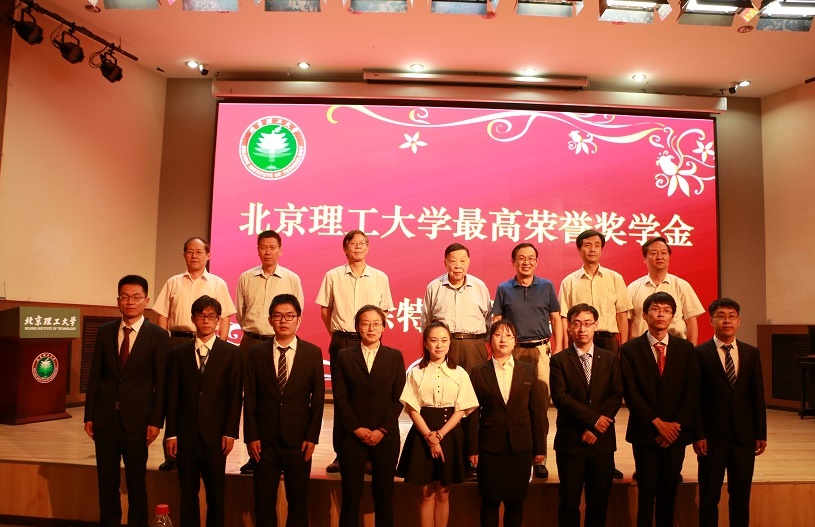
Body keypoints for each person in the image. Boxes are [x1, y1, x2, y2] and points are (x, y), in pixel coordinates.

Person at [83, 275, 171, 527]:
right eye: (125, 297)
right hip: (105, 420)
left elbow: (161, 383)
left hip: (138, 422)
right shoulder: (105, 331)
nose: (130, 302)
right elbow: (95, 376)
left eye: (136, 297)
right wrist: (89, 415)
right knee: (106, 482)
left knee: (136, 482)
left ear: (146, 301)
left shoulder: (158, 336)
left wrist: (156, 421)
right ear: (118, 300)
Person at [152, 236, 237, 471]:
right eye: (190, 251)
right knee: (174, 395)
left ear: (208, 255)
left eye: (199, 251)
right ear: (184, 255)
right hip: (177, 343)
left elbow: (225, 315)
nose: (194, 255)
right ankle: (172, 454)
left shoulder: (218, 283)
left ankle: (205, 449)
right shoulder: (173, 282)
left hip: (208, 342)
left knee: (204, 396)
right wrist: (164, 342)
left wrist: (220, 343)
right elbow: (162, 314)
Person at [316, 230, 394, 473]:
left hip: (369, 340)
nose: (358, 247)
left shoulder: (380, 277)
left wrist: (369, 333)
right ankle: (341, 454)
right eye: (353, 243)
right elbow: (326, 311)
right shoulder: (333, 275)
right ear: (345, 248)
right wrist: (338, 334)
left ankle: (369, 452)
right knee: (343, 399)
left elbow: (384, 312)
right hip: (343, 340)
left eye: (362, 243)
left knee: (370, 397)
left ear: (368, 248)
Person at [243, 294, 325, 527]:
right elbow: (250, 397)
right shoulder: (257, 353)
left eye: (289, 316)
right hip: (264, 441)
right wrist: (251, 435)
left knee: (298, 501)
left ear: (299, 319)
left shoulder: (312, 353)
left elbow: (318, 398)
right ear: (270, 320)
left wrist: (312, 436)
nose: (283, 320)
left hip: (299, 441)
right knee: (263, 501)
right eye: (278, 316)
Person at [620, 292, 699, 527]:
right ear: (644, 315)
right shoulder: (630, 349)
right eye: (655, 309)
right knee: (646, 493)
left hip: (676, 434)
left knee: (669, 493)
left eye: (667, 310)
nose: (661, 314)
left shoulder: (686, 349)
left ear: (673, 316)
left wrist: (675, 425)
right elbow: (631, 392)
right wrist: (657, 423)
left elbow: (692, 390)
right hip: (646, 433)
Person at [165, 295, 242, 527]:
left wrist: (230, 432)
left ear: (218, 320)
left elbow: (234, 396)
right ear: (193, 319)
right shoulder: (179, 353)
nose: (206, 320)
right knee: (187, 496)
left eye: (211, 316)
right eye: (201, 316)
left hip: (216, 437)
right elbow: (172, 396)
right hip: (186, 436)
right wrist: (171, 433)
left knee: (215, 496)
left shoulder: (231, 353)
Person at [397, 321, 479, 527]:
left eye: (444, 340)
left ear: (450, 343)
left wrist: (440, 435)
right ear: (425, 343)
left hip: (450, 434)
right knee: (426, 493)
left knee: (443, 491)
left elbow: (461, 409)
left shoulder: (460, 373)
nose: (439, 345)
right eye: (434, 340)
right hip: (422, 434)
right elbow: (412, 408)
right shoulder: (415, 373)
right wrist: (430, 438)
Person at [235, 229, 304, 475]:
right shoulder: (246, 277)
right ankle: (254, 456)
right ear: (257, 250)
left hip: (279, 343)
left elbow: (297, 312)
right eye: (263, 247)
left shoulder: (291, 279)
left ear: (280, 250)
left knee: (278, 400)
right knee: (252, 398)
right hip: (251, 343)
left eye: (272, 247)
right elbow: (241, 312)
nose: (268, 252)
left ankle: (280, 453)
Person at [694, 298, 767, 527]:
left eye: (732, 316)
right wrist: (698, 434)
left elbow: (757, 395)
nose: (727, 320)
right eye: (721, 316)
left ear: (739, 321)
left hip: (743, 438)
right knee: (709, 497)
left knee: (741, 497)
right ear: (711, 320)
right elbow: (694, 399)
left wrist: (761, 433)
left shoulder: (751, 353)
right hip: (711, 438)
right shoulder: (699, 353)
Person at [420, 242, 490, 478]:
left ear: (468, 262)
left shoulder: (479, 286)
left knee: (471, 401)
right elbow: (426, 322)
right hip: (444, 347)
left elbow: (488, 320)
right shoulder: (434, 287)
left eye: (462, 260)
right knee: (446, 400)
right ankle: (448, 453)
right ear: (445, 262)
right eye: (453, 260)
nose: (458, 265)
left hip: (473, 345)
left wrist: (478, 344)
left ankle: (472, 456)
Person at [550, 304, 623, 527]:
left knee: (598, 505)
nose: (582, 329)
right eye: (577, 324)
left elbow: (615, 395)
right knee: (568, 504)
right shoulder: (559, 360)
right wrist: (593, 421)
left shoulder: (610, 359)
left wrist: (595, 429)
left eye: (587, 323)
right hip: (572, 441)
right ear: (569, 327)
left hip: (601, 442)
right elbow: (561, 398)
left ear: (596, 326)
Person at [469, 319, 547, 527]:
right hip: (489, 446)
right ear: (490, 341)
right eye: (498, 335)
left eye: (508, 335)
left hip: (520, 446)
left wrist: (540, 448)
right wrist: (472, 448)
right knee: (489, 502)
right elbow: (473, 413)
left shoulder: (528, 370)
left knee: (515, 503)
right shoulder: (478, 371)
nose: (503, 339)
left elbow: (537, 412)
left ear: (515, 342)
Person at [332, 305, 406, 527]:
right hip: (352, 437)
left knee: (384, 496)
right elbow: (340, 397)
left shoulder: (395, 356)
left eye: (376, 324)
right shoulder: (344, 356)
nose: (371, 328)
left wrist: (382, 430)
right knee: (350, 496)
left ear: (383, 327)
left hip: (385, 437)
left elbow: (398, 398)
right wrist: (357, 429)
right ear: (357, 327)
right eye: (365, 324)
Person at [492, 242, 560, 478]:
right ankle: (514, 454)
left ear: (537, 262)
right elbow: (498, 320)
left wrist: (558, 349)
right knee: (513, 404)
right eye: (521, 258)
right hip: (515, 351)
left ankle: (539, 457)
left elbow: (556, 318)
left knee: (539, 405)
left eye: (531, 258)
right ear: (513, 262)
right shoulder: (503, 288)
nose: (526, 262)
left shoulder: (547, 286)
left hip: (540, 351)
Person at [559, 229, 632, 355]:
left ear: (601, 249)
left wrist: (624, 348)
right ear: (579, 250)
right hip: (578, 340)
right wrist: (565, 349)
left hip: (607, 341)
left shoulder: (615, 278)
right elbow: (564, 318)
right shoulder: (569, 281)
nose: (593, 249)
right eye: (588, 245)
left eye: (597, 245)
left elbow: (622, 315)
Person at [627, 236, 705, 345]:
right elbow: (628, 322)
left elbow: (691, 323)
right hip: (641, 348)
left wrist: (691, 351)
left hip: (676, 347)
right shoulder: (633, 288)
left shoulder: (682, 286)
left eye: (664, 253)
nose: (659, 257)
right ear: (644, 259)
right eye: (654, 253)